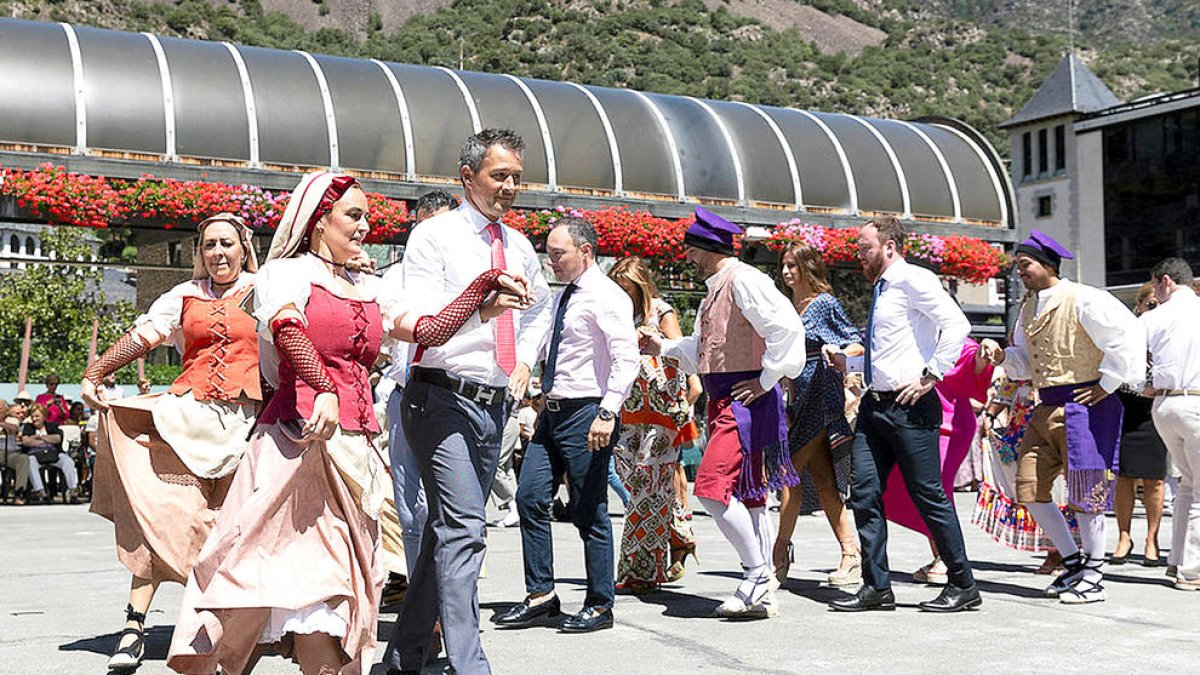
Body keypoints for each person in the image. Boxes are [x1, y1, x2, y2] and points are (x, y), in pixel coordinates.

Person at [167, 172, 529, 675]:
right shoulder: (285, 274)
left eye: (365, 216)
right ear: (320, 221)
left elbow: (428, 330)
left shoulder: (371, 286)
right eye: (353, 215)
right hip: (294, 449)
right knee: (254, 586)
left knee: (333, 597)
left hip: (353, 454)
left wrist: (483, 288)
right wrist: (324, 389)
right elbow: (288, 329)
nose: (365, 226)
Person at [381, 129, 551, 675]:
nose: (510, 187)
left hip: (494, 401)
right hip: (440, 397)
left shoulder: (520, 245)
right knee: (465, 531)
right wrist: (483, 308)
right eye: (500, 175)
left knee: (446, 533)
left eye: (517, 178)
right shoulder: (434, 238)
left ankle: (405, 656)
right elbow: (427, 323)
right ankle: (469, 663)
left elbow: (540, 309)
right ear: (468, 177)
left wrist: (524, 358)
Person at [79, 213, 261, 673]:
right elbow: (143, 336)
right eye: (208, 246)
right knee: (158, 519)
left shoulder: (269, 290)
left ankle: (227, 634)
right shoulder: (183, 296)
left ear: (244, 247)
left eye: (226, 243)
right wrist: (96, 372)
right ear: (200, 254)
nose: (217, 253)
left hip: (247, 423)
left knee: (232, 530)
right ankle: (133, 626)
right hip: (188, 417)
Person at [641, 207, 806, 619]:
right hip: (729, 400)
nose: (688, 259)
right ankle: (763, 581)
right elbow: (705, 349)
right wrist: (661, 347)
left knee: (711, 488)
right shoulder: (720, 286)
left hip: (745, 402)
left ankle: (756, 575)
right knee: (750, 494)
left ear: (705, 248)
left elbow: (787, 329)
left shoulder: (746, 280)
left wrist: (766, 380)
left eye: (691, 251)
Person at [980, 229, 1144, 604]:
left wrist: (1109, 383)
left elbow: (1126, 336)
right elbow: (1023, 363)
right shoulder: (1028, 307)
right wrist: (1003, 357)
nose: (1019, 272)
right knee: (1029, 487)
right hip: (1046, 405)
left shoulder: (1083, 298)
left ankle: (1095, 573)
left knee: (1088, 491)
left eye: (1025, 265)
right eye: (1018, 266)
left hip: (1086, 404)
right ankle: (1073, 562)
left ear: (1047, 265)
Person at [830, 216, 979, 613]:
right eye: (858, 248)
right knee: (863, 493)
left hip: (911, 406)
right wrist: (851, 368)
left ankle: (963, 583)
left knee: (928, 495)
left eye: (866, 247)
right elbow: (892, 348)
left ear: (890, 247)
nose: (859, 255)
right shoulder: (883, 287)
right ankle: (876, 586)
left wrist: (931, 376)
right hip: (875, 405)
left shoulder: (914, 279)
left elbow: (957, 325)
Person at [497, 218, 639, 631]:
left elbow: (625, 359)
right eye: (549, 252)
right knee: (528, 498)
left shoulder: (607, 296)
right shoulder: (565, 296)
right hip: (552, 413)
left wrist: (608, 412)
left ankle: (600, 604)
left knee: (589, 509)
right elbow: (543, 338)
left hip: (587, 413)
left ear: (585, 251)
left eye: (558, 253)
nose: (551, 261)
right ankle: (541, 594)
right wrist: (526, 367)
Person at [378, 189, 459, 648]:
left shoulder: (465, 277)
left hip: (456, 401)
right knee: (412, 514)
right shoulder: (394, 277)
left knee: (450, 513)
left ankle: (452, 613)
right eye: (427, 227)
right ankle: (425, 619)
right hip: (407, 395)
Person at [771, 240, 864, 587]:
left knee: (789, 473)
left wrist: (838, 351)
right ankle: (850, 553)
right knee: (824, 482)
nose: (786, 272)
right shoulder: (786, 306)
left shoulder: (824, 304)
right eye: (784, 265)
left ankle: (779, 552)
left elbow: (856, 341)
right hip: (791, 398)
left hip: (820, 396)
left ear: (809, 267)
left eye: (793, 265)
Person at [606, 256, 700, 593]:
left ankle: (640, 571)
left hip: (662, 411)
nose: (620, 291)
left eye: (626, 285)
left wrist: (690, 393)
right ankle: (679, 535)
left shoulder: (662, 311)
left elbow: (680, 352)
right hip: (628, 412)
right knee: (638, 484)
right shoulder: (617, 314)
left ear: (640, 283)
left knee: (645, 490)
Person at [879, 338, 993, 584]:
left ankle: (946, 558)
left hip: (950, 426)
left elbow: (974, 362)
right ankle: (940, 554)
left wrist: (983, 357)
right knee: (906, 487)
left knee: (935, 490)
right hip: (913, 424)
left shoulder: (959, 341)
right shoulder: (912, 336)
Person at [1140, 257, 1200, 590]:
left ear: (1166, 281)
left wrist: (1141, 386)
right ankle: (1191, 571)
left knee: (1188, 486)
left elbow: (1131, 357)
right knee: (1195, 488)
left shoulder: (1153, 317)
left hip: (1164, 403)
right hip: (1194, 399)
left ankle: (1178, 561)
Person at [1112, 283, 1168, 567]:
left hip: (1155, 409)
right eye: (1151, 305)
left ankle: (1152, 538)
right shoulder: (1129, 332)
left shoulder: (1170, 333)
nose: (1155, 310)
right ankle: (1124, 536)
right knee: (1124, 477)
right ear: (1139, 306)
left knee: (1155, 479)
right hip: (1126, 406)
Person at [20, 402, 79, 502]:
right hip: (36, 455)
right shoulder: (28, 427)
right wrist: (46, 440)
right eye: (33, 416)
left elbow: (57, 438)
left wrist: (38, 437)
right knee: (30, 462)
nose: (34, 419)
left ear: (44, 416)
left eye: (37, 416)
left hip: (53, 454)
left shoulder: (52, 426)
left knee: (68, 461)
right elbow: (26, 442)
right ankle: (42, 493)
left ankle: (73, 492)